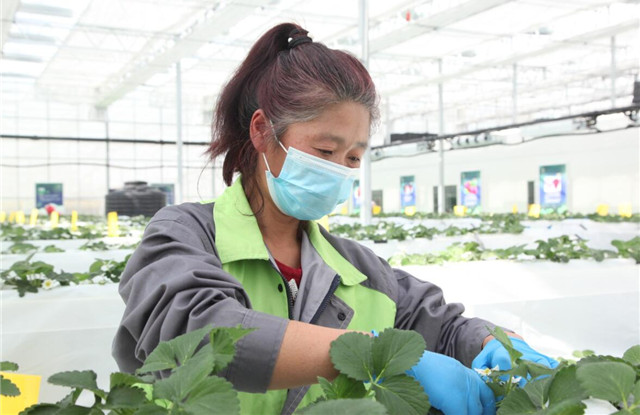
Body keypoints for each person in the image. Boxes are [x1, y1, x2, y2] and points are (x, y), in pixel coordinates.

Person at [112, 23, 557, 415]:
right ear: (263, 131)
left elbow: (444, 328)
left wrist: (495, 343)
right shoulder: (185, 235)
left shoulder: (360, 270)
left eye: (353, 157)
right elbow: (197, 333)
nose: (339, 169)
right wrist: (369, 354)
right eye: (325, 150)